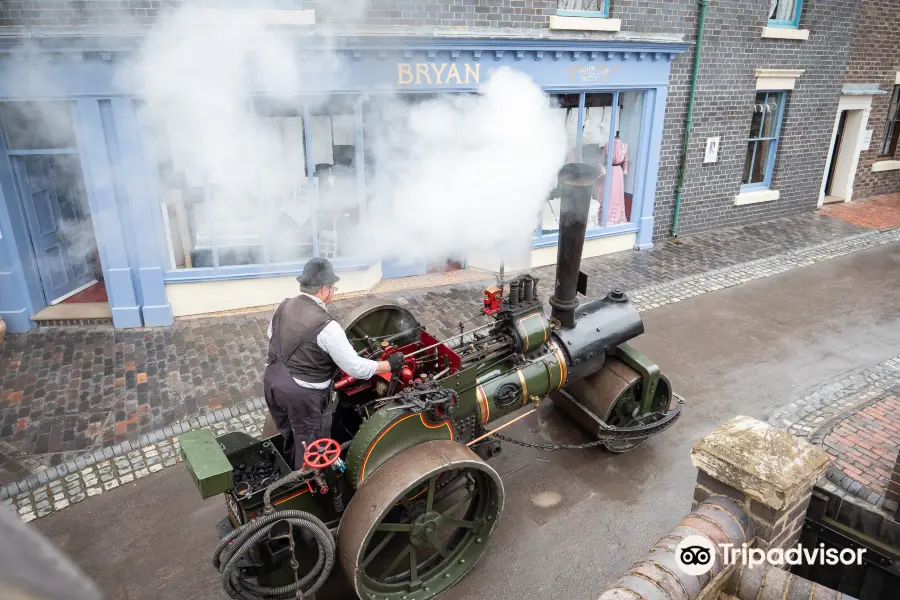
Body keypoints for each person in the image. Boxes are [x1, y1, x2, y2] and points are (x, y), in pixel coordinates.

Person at [265, 257, 404, 469]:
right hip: (304, 398)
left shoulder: (282, 306)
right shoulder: (327, 328)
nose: (334, 291)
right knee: (313, 448)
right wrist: (388, 365)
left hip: (273, 383)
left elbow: (272, 337)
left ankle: (290, 462)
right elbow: (355, 368)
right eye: (333, 287)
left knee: (289, 431)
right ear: (324, 289)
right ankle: (310, 488)